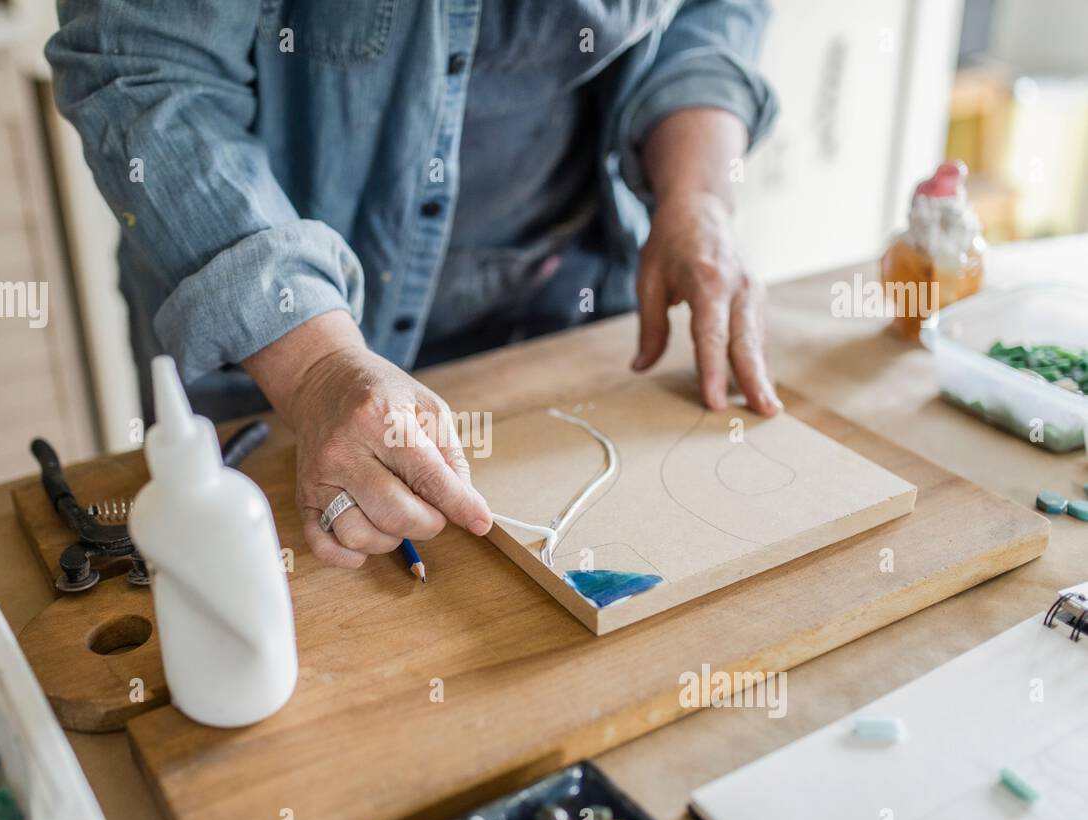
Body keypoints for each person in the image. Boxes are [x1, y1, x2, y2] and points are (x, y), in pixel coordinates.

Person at [47, 0, 779, 569]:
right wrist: (318, 367)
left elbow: (710, 16)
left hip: (577, 299)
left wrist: (696, 195)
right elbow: (143, 67)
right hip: (279, 322)